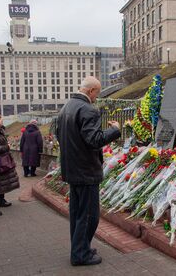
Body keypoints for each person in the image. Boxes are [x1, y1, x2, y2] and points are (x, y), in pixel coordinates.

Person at [56, 76, 121, 266]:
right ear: (91, 91)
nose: (97, 97)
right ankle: (80, 255)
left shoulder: (66, 107)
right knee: (88, 216)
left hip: (72, 169)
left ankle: (80, 248)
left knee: (77, 214)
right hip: (86, 171)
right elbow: (94, 140)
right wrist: (115, 130)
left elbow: (61, 136)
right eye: (97, 93)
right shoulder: (87, 110)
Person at [0, 113, 20, 207]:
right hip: (0, 160)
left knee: (3, 181)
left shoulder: (0, 130)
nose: (1, 120)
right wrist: (6, 147)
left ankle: (1, 199)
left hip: (4, 159)